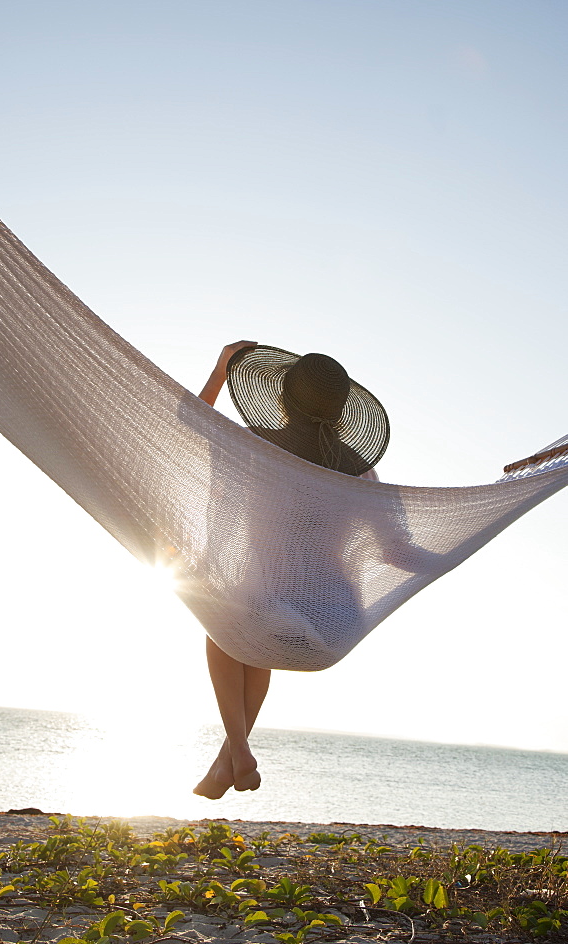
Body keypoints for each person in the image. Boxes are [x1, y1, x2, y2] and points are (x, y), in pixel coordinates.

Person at [193, 341, 389, 799]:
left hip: (268, 603)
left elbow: (187, 425)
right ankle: (226, 764)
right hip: (333, 619)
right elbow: (395, 552)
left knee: (220, 620)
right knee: (253, 640)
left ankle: (239, 750)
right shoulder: (360, 473)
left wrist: (222, 369)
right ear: (341, 414)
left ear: (281, 398)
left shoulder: (256, 448)